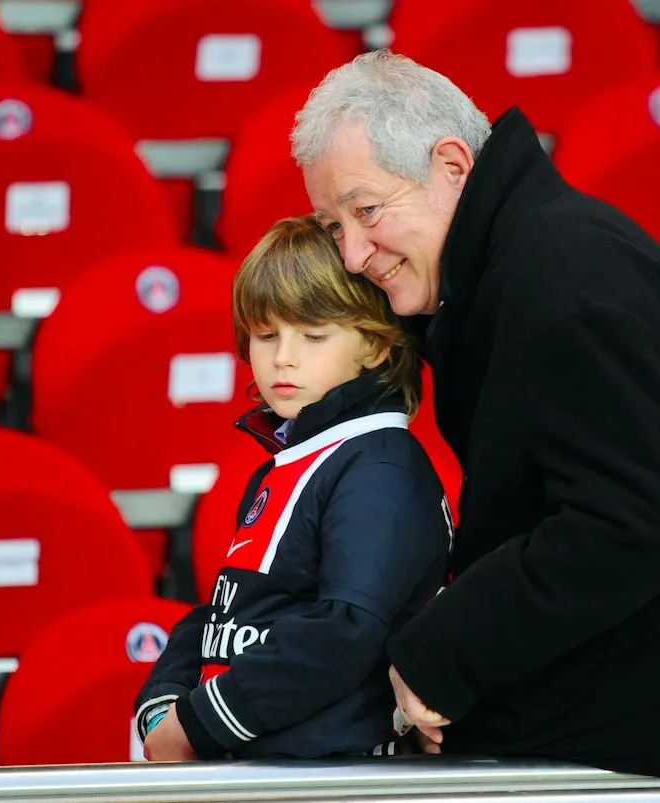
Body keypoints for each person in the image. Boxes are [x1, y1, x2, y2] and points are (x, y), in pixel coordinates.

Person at [291, 50, 660, 781]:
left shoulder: (562, 280)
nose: (353, 254)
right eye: (333, 227)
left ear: (452, 166)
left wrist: (440, 652)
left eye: (365, 210)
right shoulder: (524, 258)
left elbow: (627, 525)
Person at [135, 215, 452, 761]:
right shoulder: (290, 460)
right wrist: (165, 704)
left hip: (335, 783)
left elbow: (344, 631)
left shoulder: (381, 464)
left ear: (376, 346)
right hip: (263, 771)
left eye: (313, 335)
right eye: (266, 334)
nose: (284, 356)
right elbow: (226, 610)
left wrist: (198, 725)